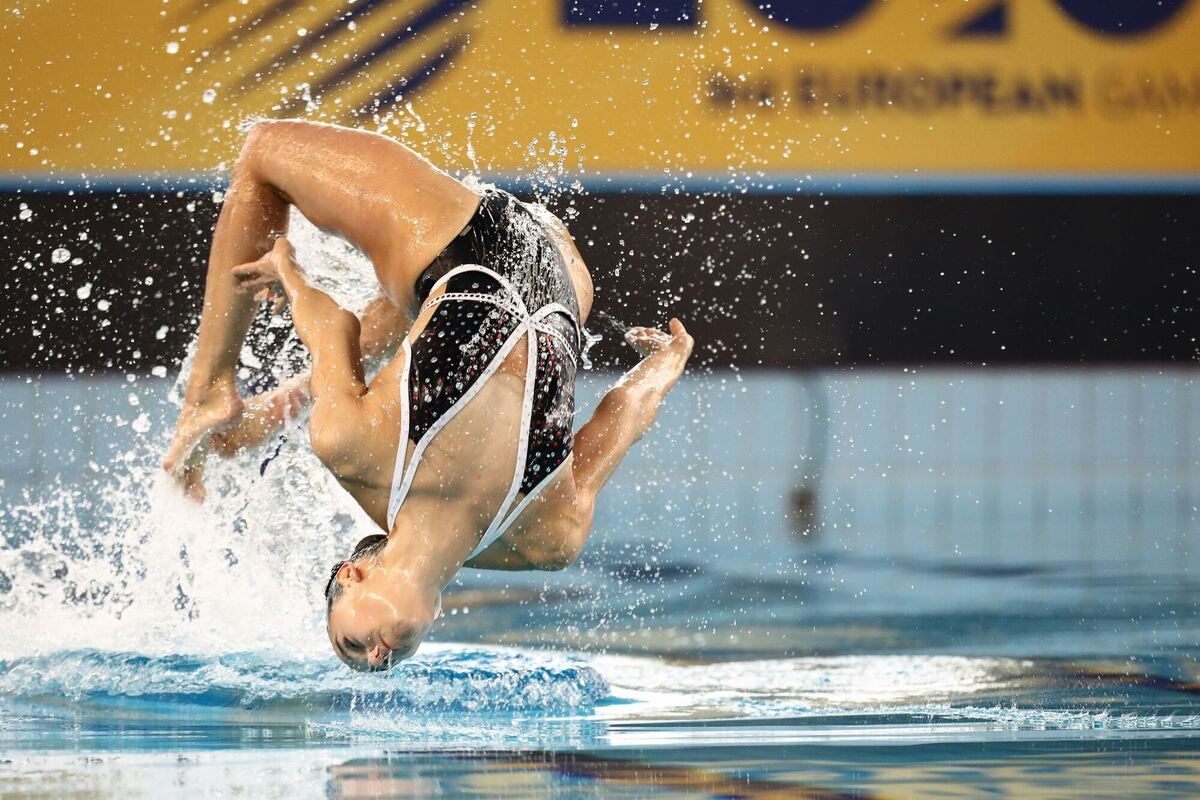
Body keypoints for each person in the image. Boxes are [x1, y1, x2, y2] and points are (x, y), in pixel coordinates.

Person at [163, 119, 694, 671]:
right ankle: (233, 409)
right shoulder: (546, 541)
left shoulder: (353, 451)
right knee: (400, 336)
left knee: (262, 152)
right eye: (383, 664)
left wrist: (291, 277)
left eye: (352, 645)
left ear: (352, 573)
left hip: (471, 250)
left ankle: (210, 391)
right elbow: (621, 418)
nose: (374, 656)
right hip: (554, 270)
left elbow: (331, 330)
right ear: (437, 612)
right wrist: (668, 362)